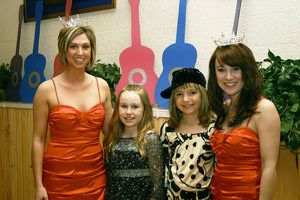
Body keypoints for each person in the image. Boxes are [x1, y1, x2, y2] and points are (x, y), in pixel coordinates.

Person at [32, 25, 112, 200]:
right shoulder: (46, 90)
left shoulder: (102, 87)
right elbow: (38, 140)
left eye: (85, 46)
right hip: (58, 178)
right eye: (73, 46)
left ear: (92, 50)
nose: (80, 52)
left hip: (95, 177)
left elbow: (112, 134)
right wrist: (39, 185)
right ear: (64, 50)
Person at [207, 43, 280, 200]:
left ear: (247, 70)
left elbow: (269, 167)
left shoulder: (264, 109)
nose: (228, 77)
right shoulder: (224, 108)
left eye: (235, 69)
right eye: (221, 70)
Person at [159, 68, 215, 199]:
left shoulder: (214, 128)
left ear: (203, 94)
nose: (185, 99)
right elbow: (164, 168)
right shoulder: (168, 129)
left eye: (192, 92)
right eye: (179, 94)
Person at [103, 84, 165, 200]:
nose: (128, 112)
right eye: (124, 106)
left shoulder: (150, 139)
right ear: (117, 108)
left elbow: (158, 182)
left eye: (135, 107)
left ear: (144, 109)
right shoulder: (112, 138)